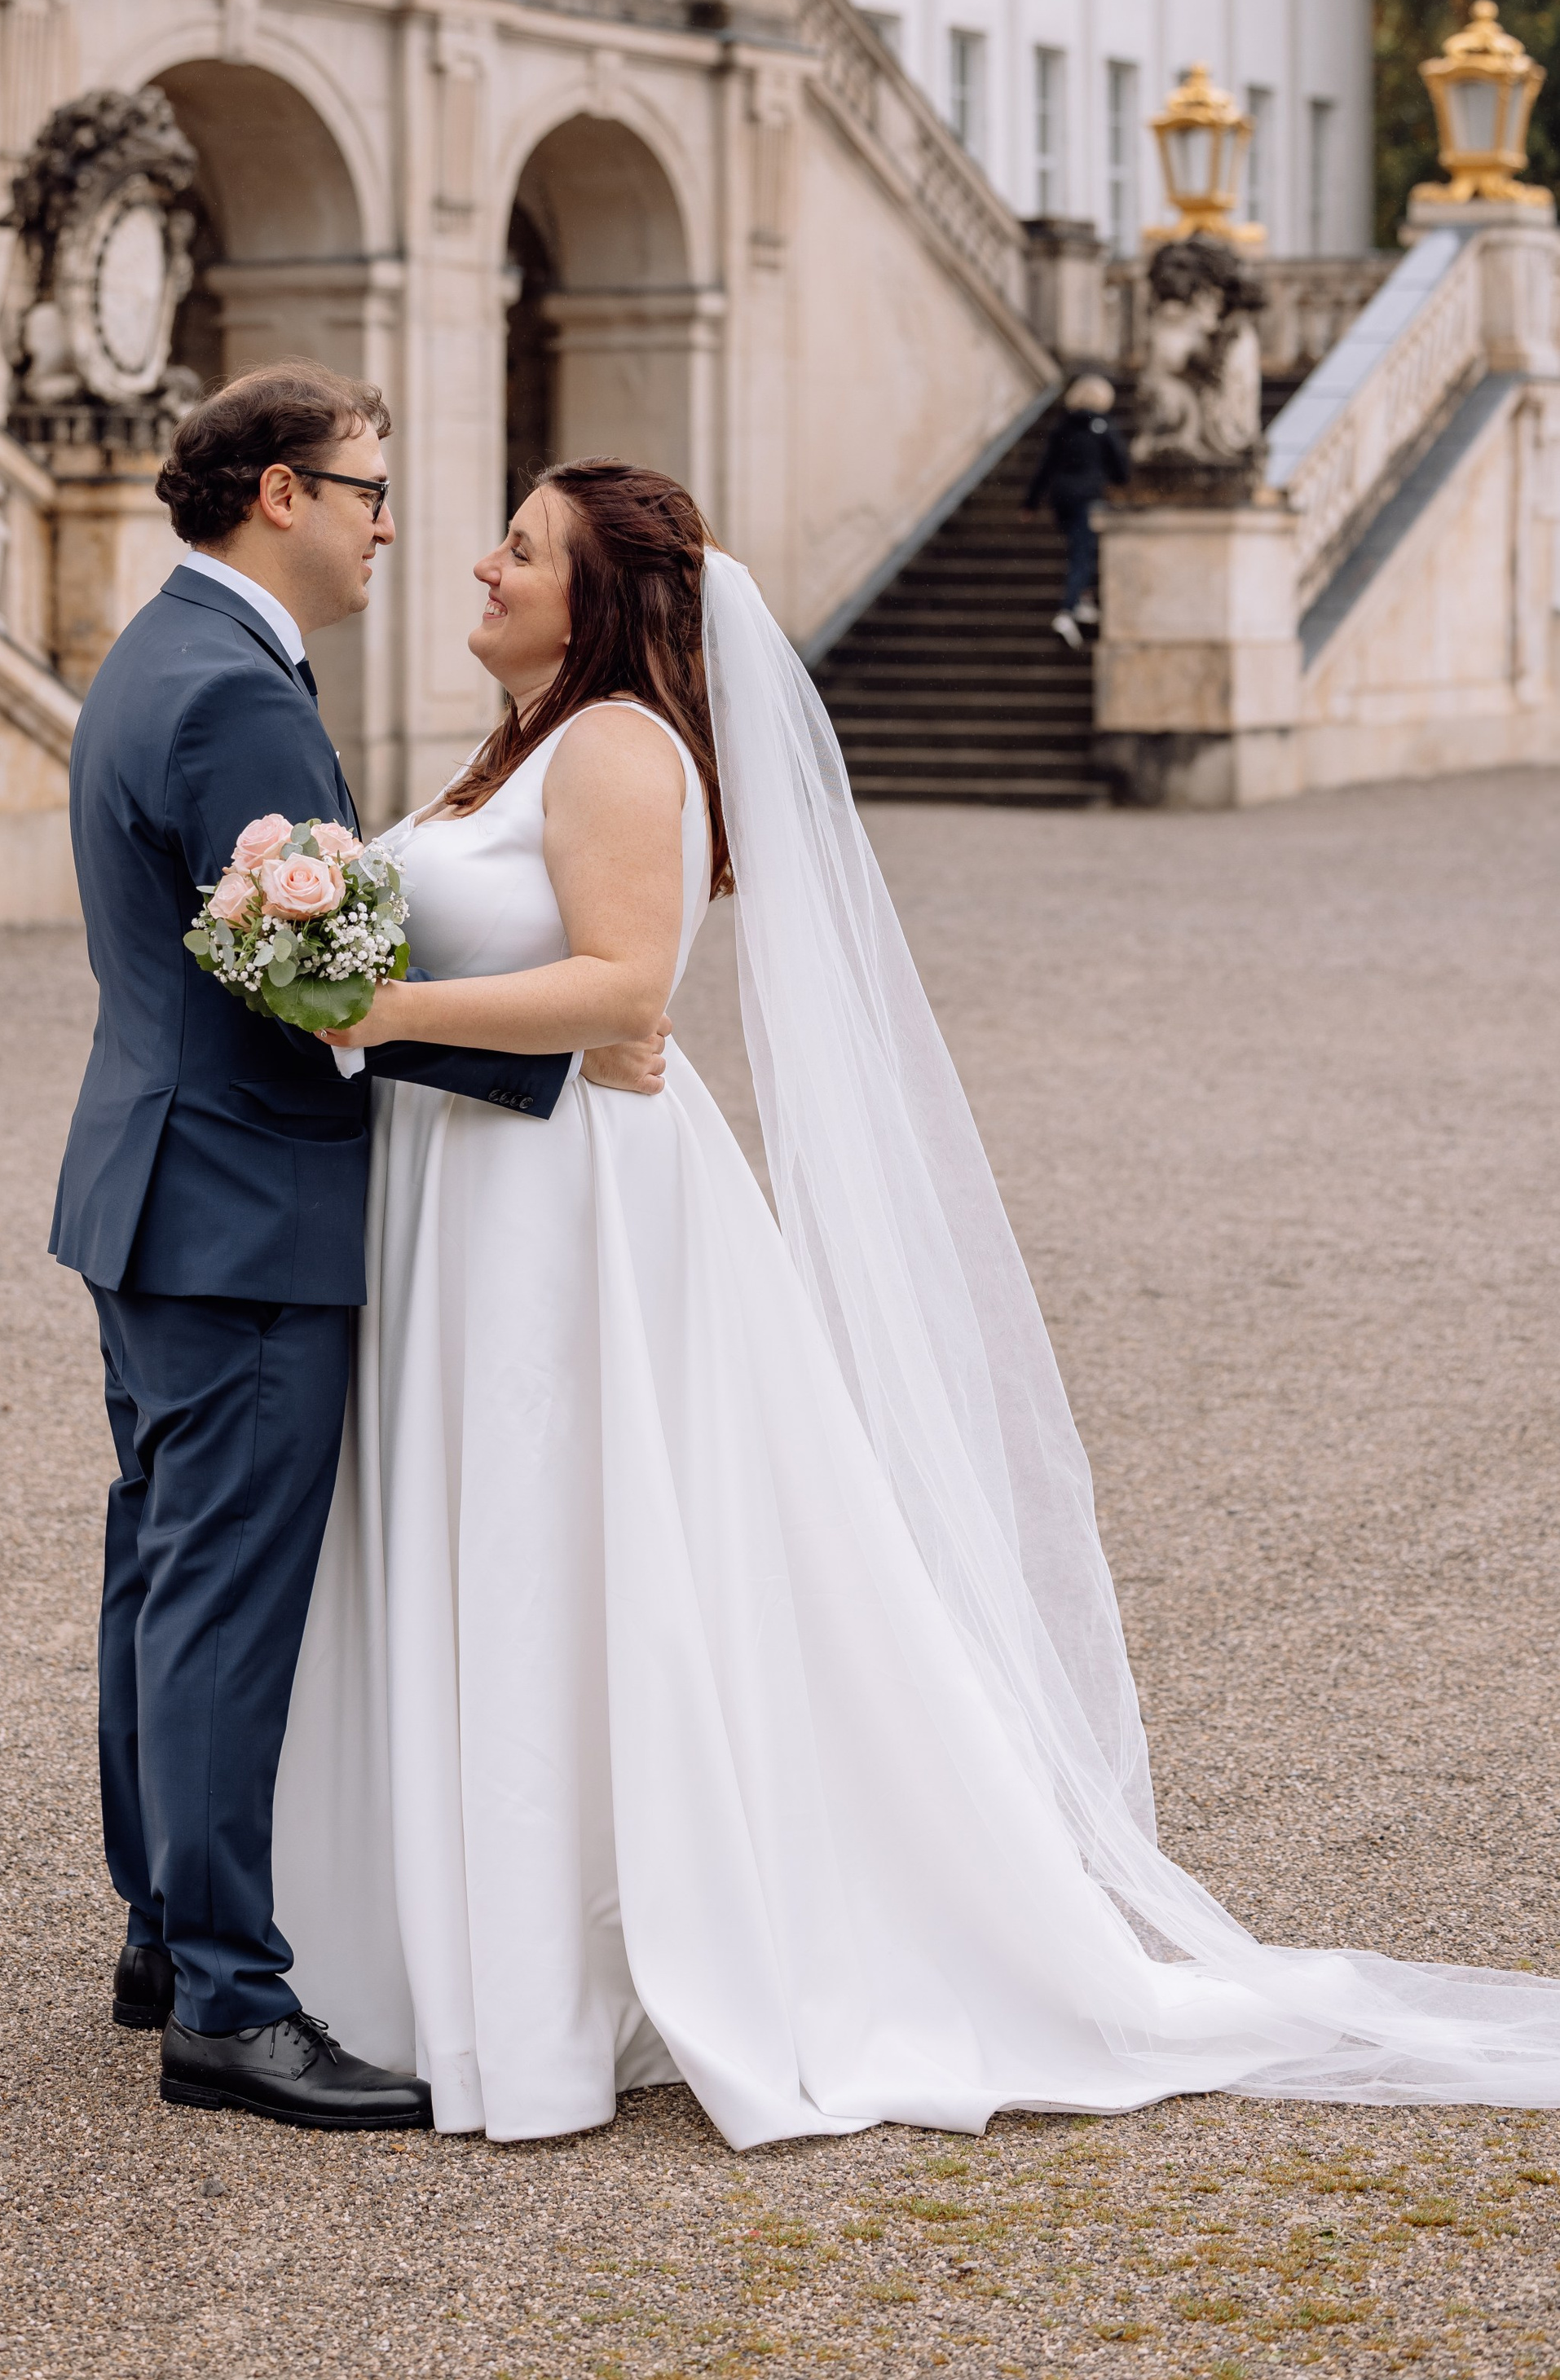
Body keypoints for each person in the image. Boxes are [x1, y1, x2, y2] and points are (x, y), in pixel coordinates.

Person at [262, 455, 1560, 2147]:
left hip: (562, 1204)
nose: (483, 566)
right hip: (475, 1181)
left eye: (522, 549)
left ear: (600, 601)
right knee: (516, 1544)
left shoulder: (611, 747)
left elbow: (621, 988)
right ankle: (491, 1950)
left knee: (565, 1546)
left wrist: (369, 999)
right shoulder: (513, 747)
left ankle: (558, 1981)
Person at [49, 363, 664, 2135]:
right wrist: (539, 1048)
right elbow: (302, 979)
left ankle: (170, 1932)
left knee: (166, 1571)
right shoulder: (238, 698)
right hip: (242, 1200)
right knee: (223, 1596)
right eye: (368, 486)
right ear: (277, 495)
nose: (395, 522)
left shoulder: (173, 649)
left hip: (162, 1184)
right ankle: (231, 2001)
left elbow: (289, 967)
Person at [1024, 372, 1131, 647]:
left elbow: (1046, 466)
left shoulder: (1064, 426)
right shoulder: (1104, 426)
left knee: (1079, 547)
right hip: (1087, 496)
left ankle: (1084, 601)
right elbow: (1120, 467)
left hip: (1061, 497)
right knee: (1083, 553)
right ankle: (1067, 611)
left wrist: (1031, 502)